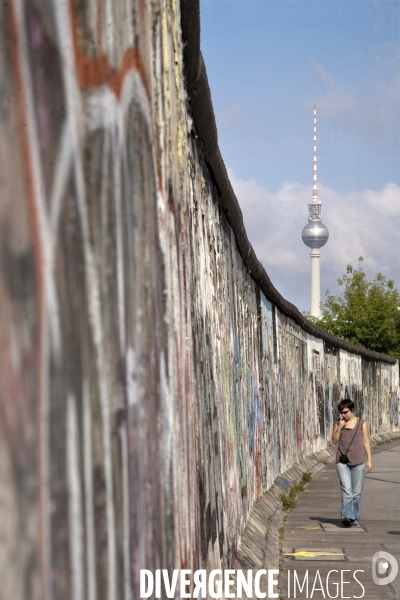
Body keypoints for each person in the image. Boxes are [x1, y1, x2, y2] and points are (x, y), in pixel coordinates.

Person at [331, 398, 372, 527]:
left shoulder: (361, 423)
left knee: (357, 493)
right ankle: (346, 516)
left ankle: (354, 518)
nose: (343, 415)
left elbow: (366, 442)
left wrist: (369, 460)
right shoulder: (339, 423)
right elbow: (334, 440)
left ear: (352, 410)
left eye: (345, 412)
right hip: (342, 462)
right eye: (341, 413)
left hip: (358, 461)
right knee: (346, 489)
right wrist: (339, 428)